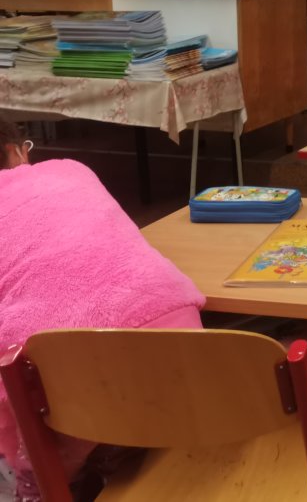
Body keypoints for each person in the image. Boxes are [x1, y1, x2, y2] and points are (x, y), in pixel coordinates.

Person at [0, 128, 205, 500]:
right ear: (15, 152)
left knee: (39, 432)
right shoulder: (70, 170)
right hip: (181, 351)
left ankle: (53, 480)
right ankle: (112, 451)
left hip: (61, 387)